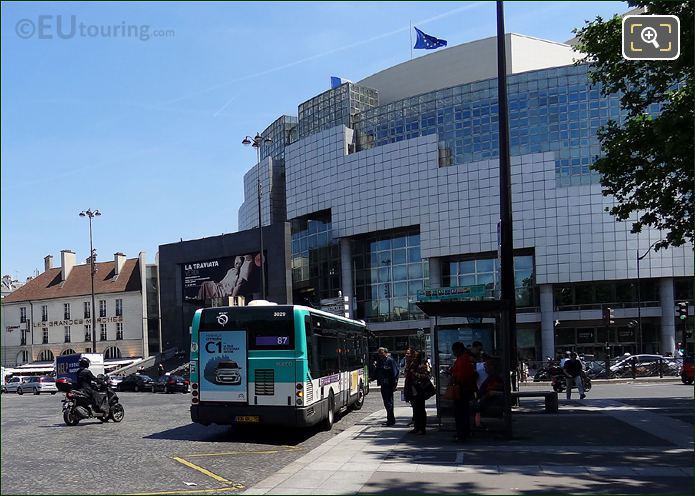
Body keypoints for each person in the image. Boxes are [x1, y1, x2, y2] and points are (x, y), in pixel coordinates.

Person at [451, 342, 477, 442]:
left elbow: (461, 376)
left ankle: (461, 433)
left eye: (454, 351)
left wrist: (454, 379)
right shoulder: (466, 358)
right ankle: (464, 432)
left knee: (460, 413)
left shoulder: (462, 359)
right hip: (466, 388)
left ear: (458, 350)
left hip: (461, 389)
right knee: (463, 412)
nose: (453, 353)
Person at [406, 351, 431, 435]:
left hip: (420, 390)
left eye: (415, 357)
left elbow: (425, 376)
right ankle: (416, 427)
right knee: (415, 410)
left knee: (420, 409)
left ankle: (422, 428)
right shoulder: (412, 364)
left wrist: (414, 373)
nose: (413, 358)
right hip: (413, 390)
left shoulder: (422, 365)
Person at [375, 347, 399, 426]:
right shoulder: (381, 361)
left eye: (381, 353)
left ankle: (391, 420)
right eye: (379, 353)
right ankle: (390, 419)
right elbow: (378, 372)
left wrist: (395, 384)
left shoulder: (390, 361)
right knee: (386, 403)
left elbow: (395, 373)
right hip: (383, 384)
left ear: (386, 352)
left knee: (389, 403)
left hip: (389, 385)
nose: (380, 355)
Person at [402, 347, 415, 427]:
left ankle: (418, 424)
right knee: (413, 405)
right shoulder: (408, 363)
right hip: (410, 386)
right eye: (406, 353)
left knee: (417, 406)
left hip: (415, 388)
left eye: (408, 353)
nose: (406, 355)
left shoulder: (415, 363)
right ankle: (415, 421)